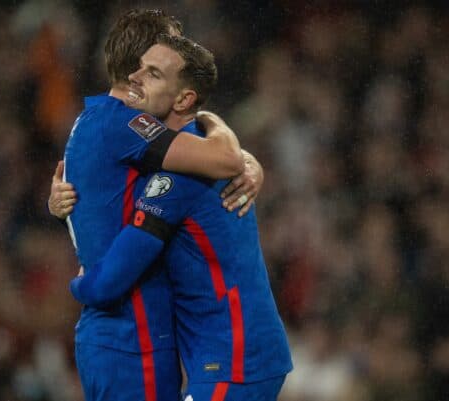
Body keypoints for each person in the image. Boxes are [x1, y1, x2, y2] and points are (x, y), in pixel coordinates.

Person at [69, 34, 293, 401]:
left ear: (184, 98)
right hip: (237, 357)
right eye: (140, 66)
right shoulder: (200, 151)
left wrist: (79, 283)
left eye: (153, 73)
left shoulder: (177, 179)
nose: (136, 77)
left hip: (234, 363)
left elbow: (110, 282)